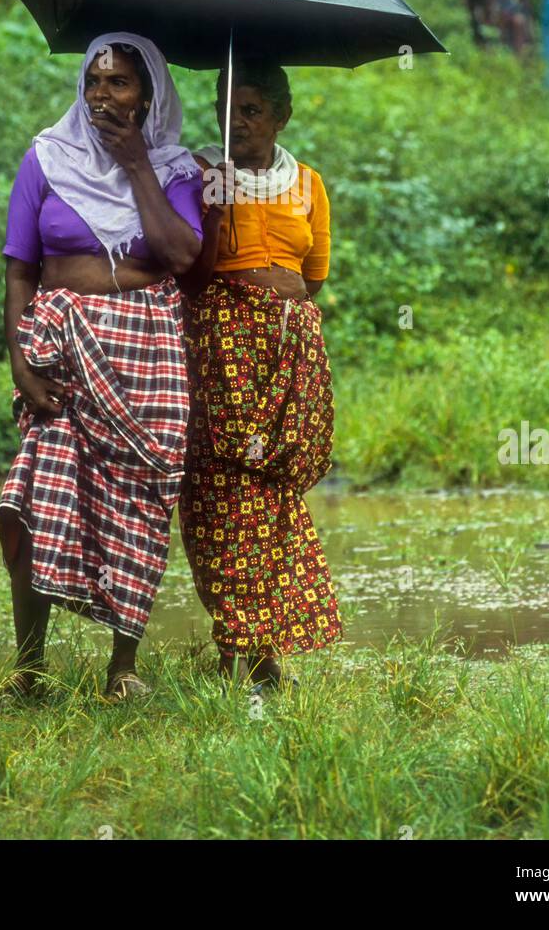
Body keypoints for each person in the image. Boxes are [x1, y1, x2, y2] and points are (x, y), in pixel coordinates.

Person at [0, 31, 203, 702]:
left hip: (146, 354)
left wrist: (138, 163)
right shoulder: (47, 159)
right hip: (60, 354)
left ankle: (123, 667)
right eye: (94, 81)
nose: (103, 95)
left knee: (139, 504)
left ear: (149, 95)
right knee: (33, 502)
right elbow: (19, 268)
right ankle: (29, 670)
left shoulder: (177, 170)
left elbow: (181, 256)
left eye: (119, 83)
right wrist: (22, 364)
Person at [176, 57, 343, 691]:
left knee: (275, 490)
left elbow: (316, 275)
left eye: (250, 110)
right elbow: (189, 268)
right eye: (226, 109)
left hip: (292, 348)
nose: (236, 122)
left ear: (281, 116)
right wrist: (214, 200)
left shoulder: (307, 182)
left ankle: (263, 642)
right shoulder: (197, 177)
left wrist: (279, 314)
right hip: (223, 345)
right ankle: (239, 645)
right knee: (222, 488)